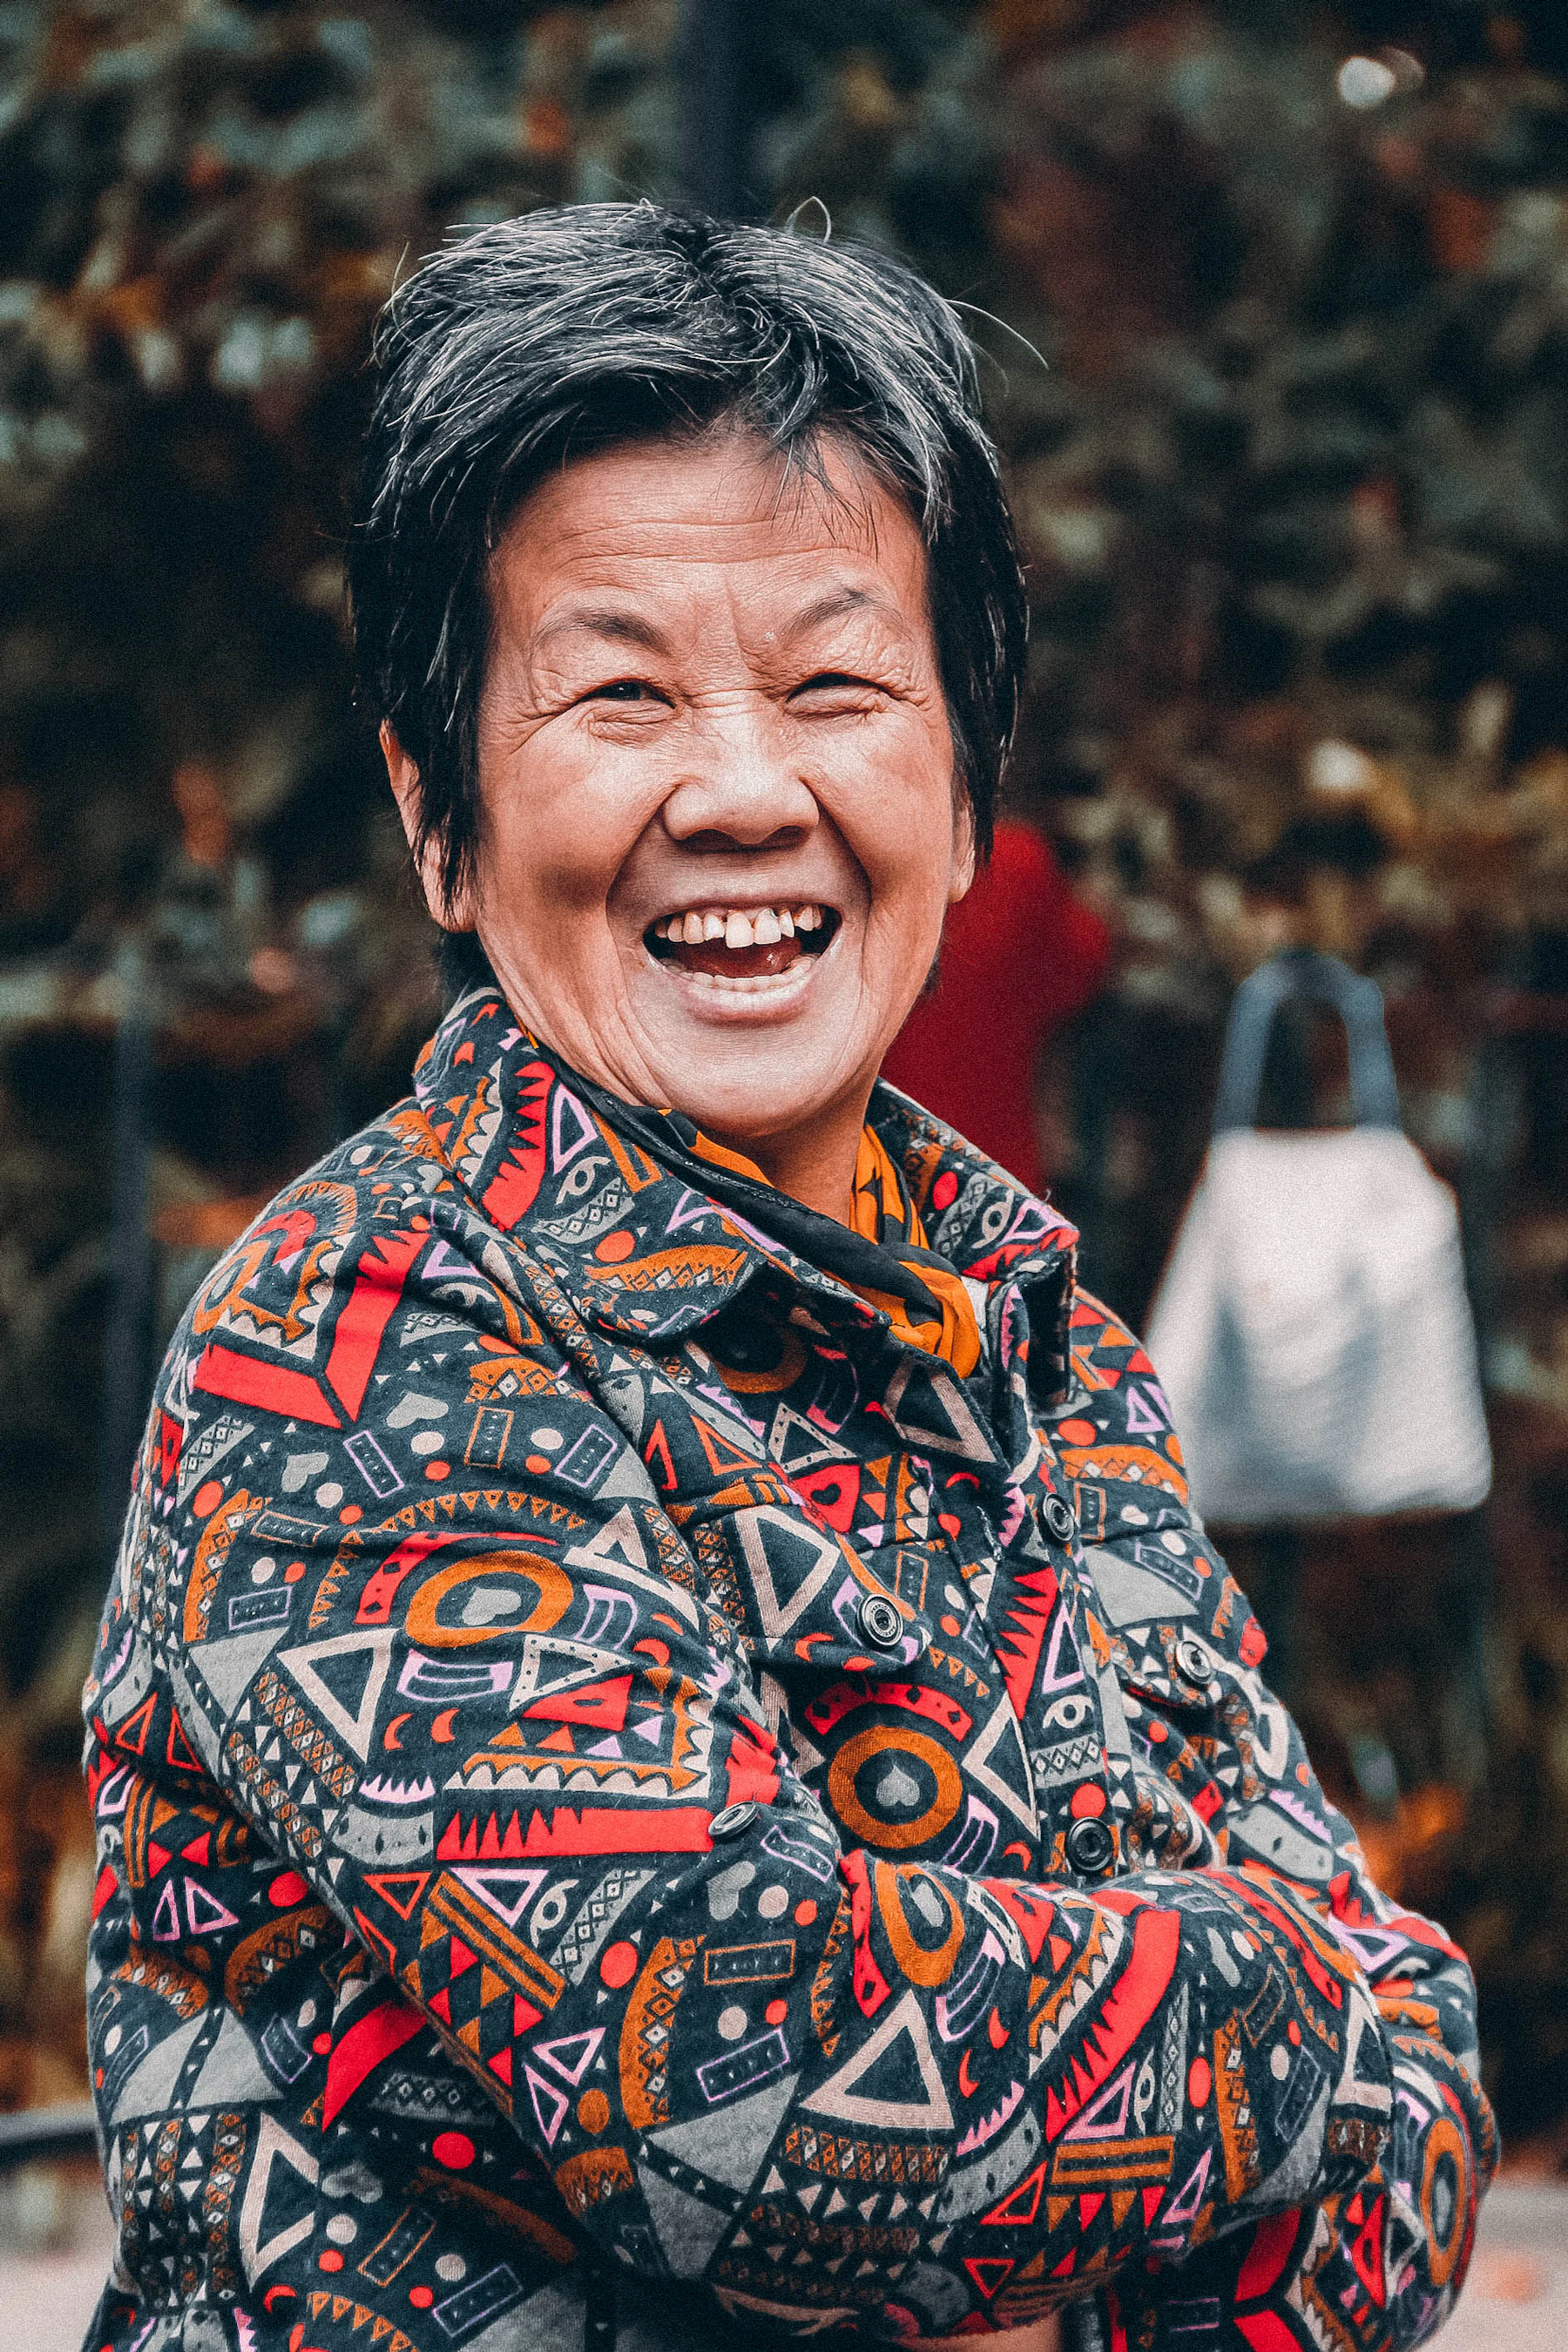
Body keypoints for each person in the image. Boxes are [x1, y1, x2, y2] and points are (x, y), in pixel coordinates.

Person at [82, 205, 1492, 2352]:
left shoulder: (1043, 1350)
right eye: (619, 694)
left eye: (837, 684)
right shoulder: (360, 1342)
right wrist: (1319, 2014)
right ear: (439, 815)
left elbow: (1429, 2138)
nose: (746, 792)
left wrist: (1055, 2249)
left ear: (966, 789)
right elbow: (757, 2111)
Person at [880, 820, 1110, 1198]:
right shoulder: (1019, 861)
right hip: (991, 1148)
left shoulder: (880, 849)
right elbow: (1078, 971)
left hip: (883, 1142)